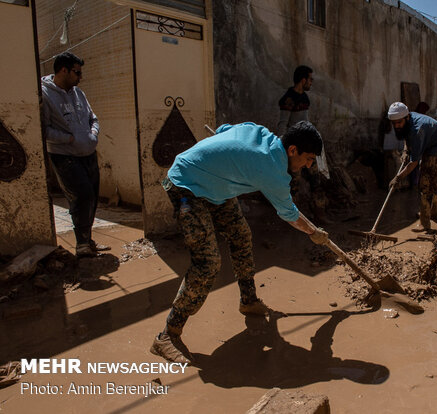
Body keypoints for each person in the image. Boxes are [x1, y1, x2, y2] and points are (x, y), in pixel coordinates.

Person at [150, 121, 330, 363]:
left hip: (216, 184)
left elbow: (225, 129)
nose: (309, 165)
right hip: (186, 184)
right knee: (208, 263)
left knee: (241, 235)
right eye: (308, 158)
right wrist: (313, 232)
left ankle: (248, 301)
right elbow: (289, 214)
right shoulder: (272, 171)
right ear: (293, 150)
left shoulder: (261, 132)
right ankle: (167, 335)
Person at [41, 52, 109, 258]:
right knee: (81, 195)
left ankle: (87, 240)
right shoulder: (45, 94)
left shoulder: (78, 93)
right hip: (65, 156)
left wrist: (93, 134)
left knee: (92, 197)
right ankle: (81, 244)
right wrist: (69, 139)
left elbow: (93, 118)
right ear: (63, 70)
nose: (80, 77)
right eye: (77, 73)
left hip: (88, 153)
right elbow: (43, 130)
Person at [277, 65, 330, 224]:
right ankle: (291, 220)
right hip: (296, 150)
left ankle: (320, 216)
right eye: (310, 79)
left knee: (316, 182)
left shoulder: (305, 98)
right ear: (303, 80)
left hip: (308, 147)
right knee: (293, 186)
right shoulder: (288, 99)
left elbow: (305, 122)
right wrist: (281, 149)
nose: (311, 82)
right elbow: (282, 124)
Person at [387, 102, 437, 232]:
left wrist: (398, 178)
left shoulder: (417, 130)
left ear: (406, 118)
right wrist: (406, 151)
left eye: (399, 122)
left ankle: (425, 223)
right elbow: (406, 136)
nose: (397, 126)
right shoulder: (407, 121)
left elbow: (414, 163)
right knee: (430, 181)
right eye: (394, 123)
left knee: (425, 183)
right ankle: (432, 212)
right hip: (429, 143)